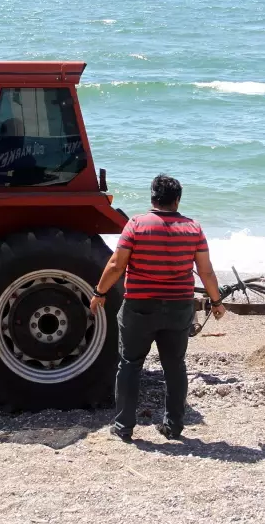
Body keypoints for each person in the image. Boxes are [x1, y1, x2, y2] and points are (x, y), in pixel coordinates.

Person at [90, 174, 226, 441]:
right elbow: (206, 272)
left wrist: (100, 292)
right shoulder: (193, 228)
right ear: (177, 200)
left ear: (152, 198)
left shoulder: (136, 225)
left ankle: (124, 427)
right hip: (178, 307)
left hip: (140, 307)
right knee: (174, 366)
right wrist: (217, 302)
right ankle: (173, 427)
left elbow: (117, 265)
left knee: (130, 364)